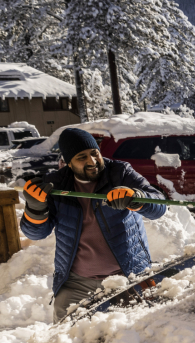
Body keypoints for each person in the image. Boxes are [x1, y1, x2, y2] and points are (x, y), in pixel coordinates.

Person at [20, 128, 166, 322]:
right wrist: (35, 208)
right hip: (76, 284)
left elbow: (160, 206)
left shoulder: (120, 173)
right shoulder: (56, 185)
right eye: (82, 157)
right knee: (65, 338)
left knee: (138, 334)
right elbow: (36, 233)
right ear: (68, 163)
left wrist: (136, 198)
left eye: (94, 153)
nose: (92, 161)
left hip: (127, 276)